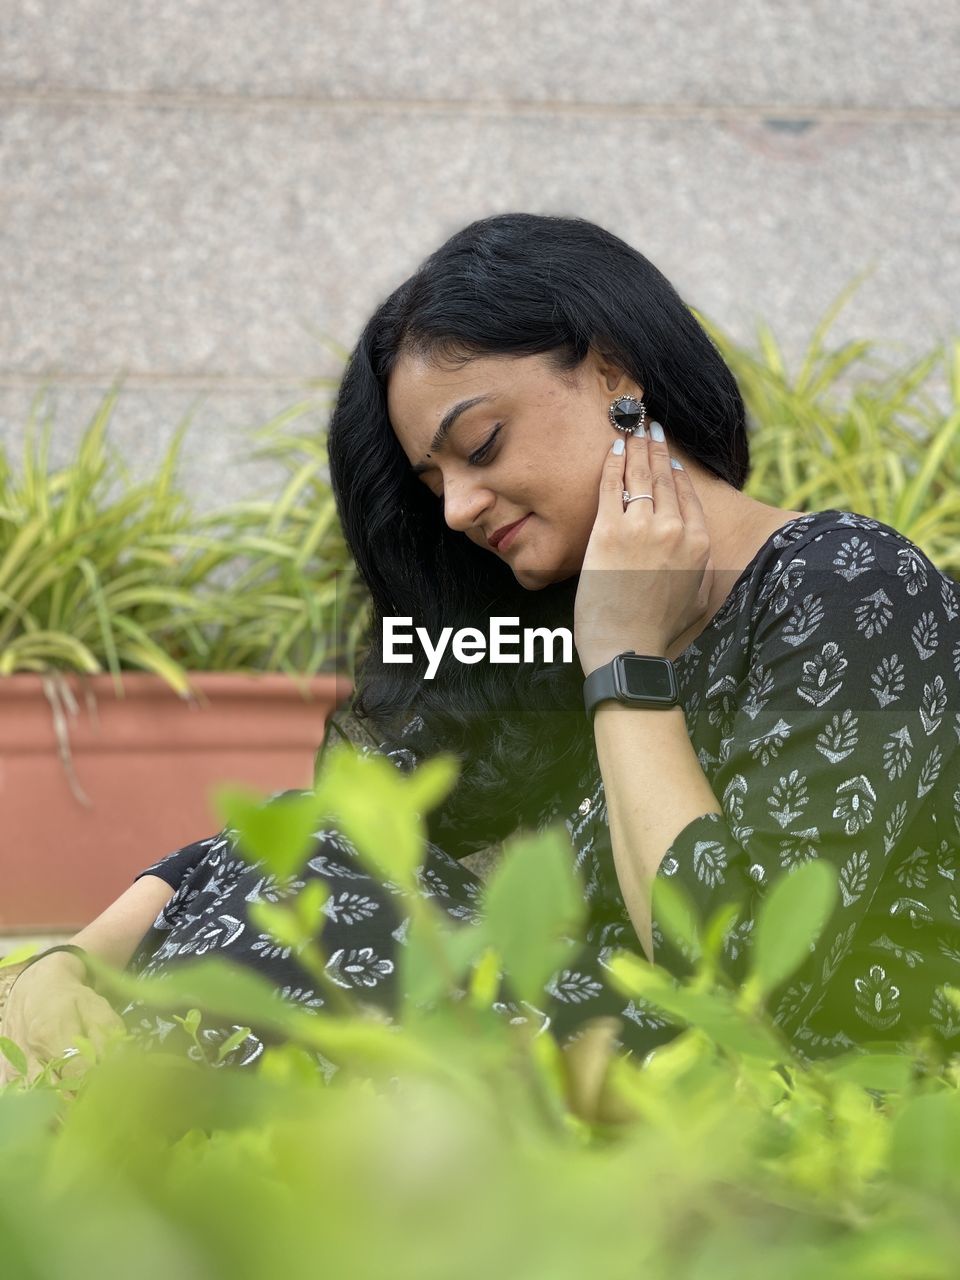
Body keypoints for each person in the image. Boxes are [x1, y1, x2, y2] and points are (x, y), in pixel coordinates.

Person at [2, 213, 958, 1086]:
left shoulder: (851, 581)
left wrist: (625, 661)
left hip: (765, 1101)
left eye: (483, 443)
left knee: (319, 955)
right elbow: (323, 832)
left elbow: (748, 989)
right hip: (588, 1072)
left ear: (616, 374)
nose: (457, 509)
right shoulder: (547, 626)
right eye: (435, 483)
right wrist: (71, 957)